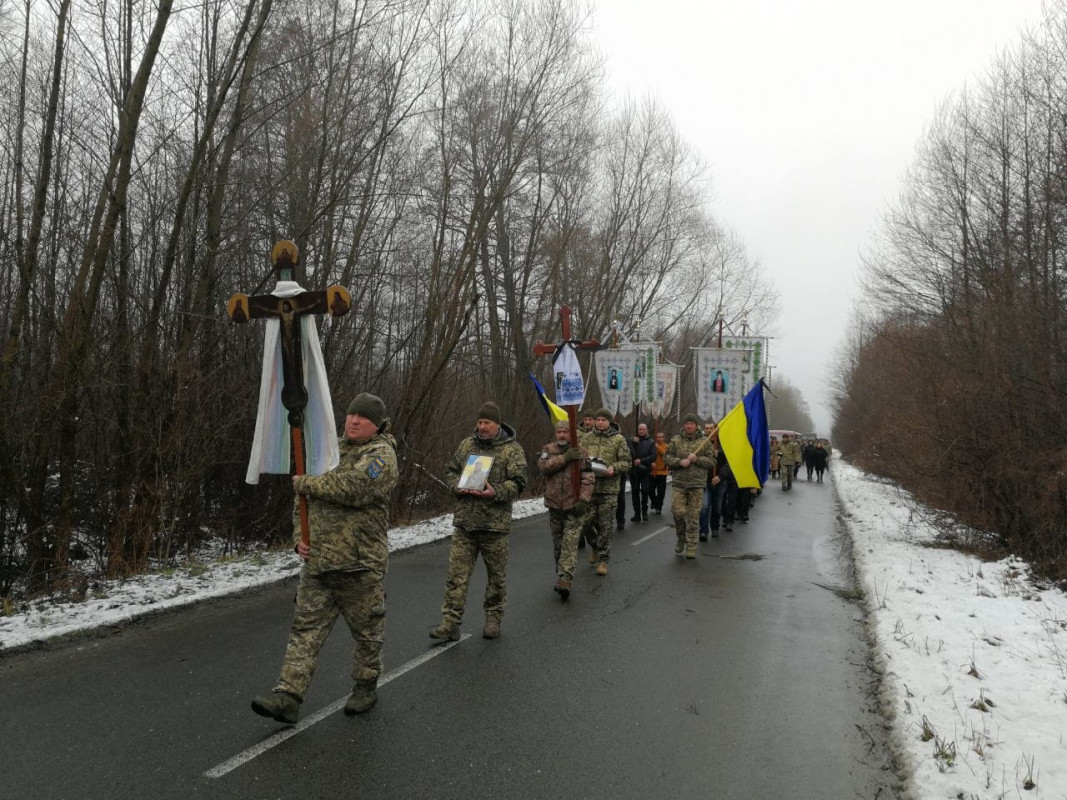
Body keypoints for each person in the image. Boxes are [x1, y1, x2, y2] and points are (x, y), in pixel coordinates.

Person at [251, 393, 398, 724]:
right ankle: (288, 695)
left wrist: (306, 483)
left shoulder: (381, 455)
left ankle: (365, 685)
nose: (354, 421)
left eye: (363, 417)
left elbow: (355, 486)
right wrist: (298, 539)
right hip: (318, 563)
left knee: (367, 631)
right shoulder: (329, 452)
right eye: (351, 415)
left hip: (359, 565)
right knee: (305, 629)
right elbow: (300, 502)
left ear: (377, 424)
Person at [429, 401, 527, 641]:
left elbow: (520, 482)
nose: (481, 427)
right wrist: (457, 486)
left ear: (497, 424)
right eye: (479, 422)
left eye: (487, 423)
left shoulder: (511, 450)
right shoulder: (466, 445)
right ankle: (450, 623)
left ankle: (493, 619)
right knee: (456, 576)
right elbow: (451, 471)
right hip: (465, 523)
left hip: (494, 525)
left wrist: (497, 492)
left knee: (496, 577)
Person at [537, 420, 595, 601]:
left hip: (573, 506)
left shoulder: (582, 451)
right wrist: (565, 458)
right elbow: (543, 467)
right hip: (554, 506)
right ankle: (561, 572)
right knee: (559, 545)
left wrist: (584, 500)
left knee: (570, 544)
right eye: (559, 432)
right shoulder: (548, 449)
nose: (562, 435)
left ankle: (565, 580)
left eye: (565, 432)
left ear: (572, 434)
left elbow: (588, 476)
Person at [582, 408, 631, 576]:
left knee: (605, 525)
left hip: (609, 489)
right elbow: (580, 459)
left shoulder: (618, 439)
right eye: (598, 419)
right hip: (590, 487)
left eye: (603, 420)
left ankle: (603, 559)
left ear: (609, 422)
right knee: (586, 522)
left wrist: (614, 468)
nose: (600, 422)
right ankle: (595, 546)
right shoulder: (587, 438)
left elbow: (626, 462)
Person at [665, 414, 714, 558]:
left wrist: (697, 459)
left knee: (694, 516)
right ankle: (681, 537)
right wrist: (679, 462)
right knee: (677, 512)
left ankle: (692, 544)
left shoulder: (704, 442)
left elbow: (712, 461)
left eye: (692, 424)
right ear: (684, 425)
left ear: (696, 426)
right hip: (679, 483)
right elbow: (667, 457)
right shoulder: (676, 440)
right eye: (687, 423)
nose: (689, 426)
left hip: (696, 484)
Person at [628, 422, 656, 521]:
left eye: (643, 429)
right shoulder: (633, 440)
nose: (641, 431)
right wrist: (631, 440)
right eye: (639, 429)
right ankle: (637, 514)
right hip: (634, 470)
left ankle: (644, 512)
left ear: (646, 430)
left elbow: (653, 456)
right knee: (635, 492)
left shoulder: (651, 442)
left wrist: (642, 461)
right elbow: (624, 443)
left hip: (645, 470)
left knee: (644, 491)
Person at [648, 431, 669, 515]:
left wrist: (658, 447)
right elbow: (649, 456)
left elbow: (666, 454)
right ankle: (654, 502)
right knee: (650, 490)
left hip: (662, 472)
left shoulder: (667, 446)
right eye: (658, 437)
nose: (659, 438)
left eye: (661, 437)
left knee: (661, 492)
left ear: (664, 438)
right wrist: (650, 463)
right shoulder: (651, 446)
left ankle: (658, 507)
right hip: (652, 472)